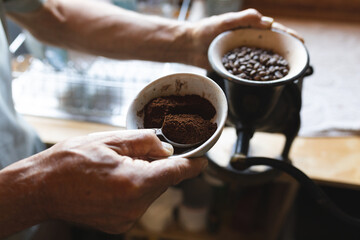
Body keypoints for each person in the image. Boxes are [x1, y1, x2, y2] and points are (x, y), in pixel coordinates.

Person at [0, 0, 302, 239]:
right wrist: (37, 191)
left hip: (27, 157)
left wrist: (189, 40)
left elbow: (50, 14)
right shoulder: (41, 190)